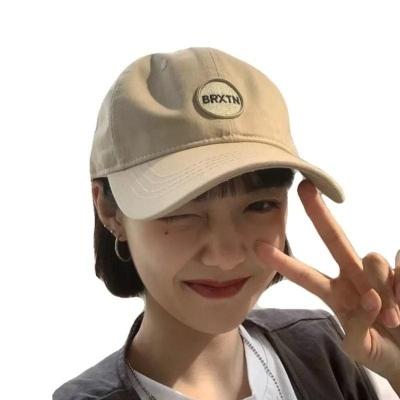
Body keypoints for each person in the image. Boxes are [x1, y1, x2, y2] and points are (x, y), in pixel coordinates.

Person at [52, 47, 400, 400]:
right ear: (110, 211)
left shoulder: (329, 351)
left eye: (260, 206)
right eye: (180, 212)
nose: (226, 257)